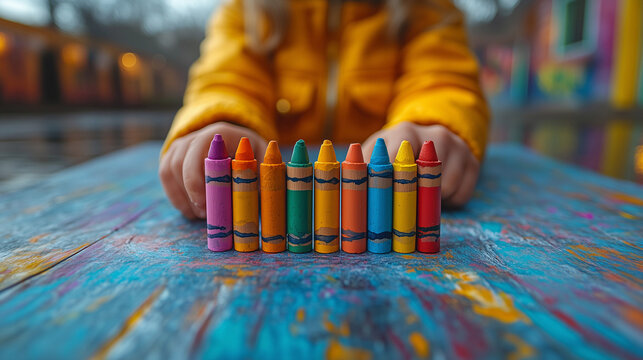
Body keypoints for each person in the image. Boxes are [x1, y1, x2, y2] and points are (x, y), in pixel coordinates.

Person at [159, 0, 490, 219]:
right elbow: (226, 80)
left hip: (386, 202)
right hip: (276, 202)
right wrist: (222, 120)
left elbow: (443, 80)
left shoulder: (430, 9)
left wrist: (433, 121)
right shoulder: (246, 12)